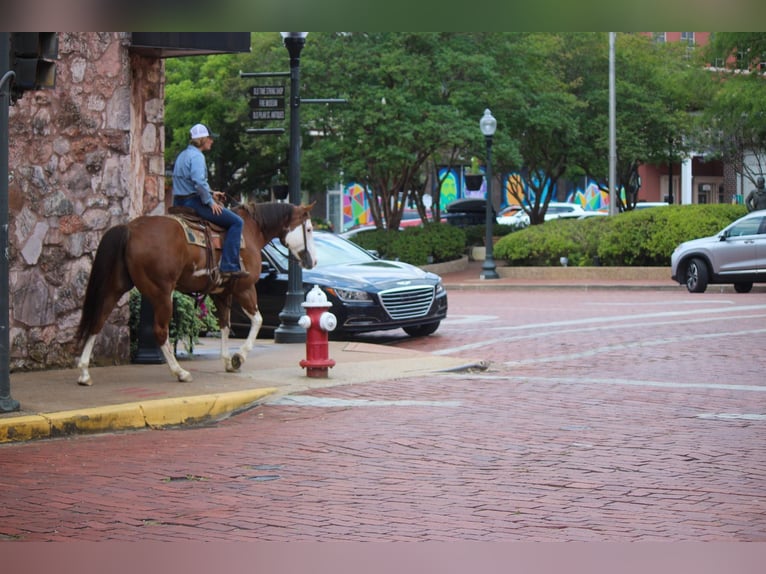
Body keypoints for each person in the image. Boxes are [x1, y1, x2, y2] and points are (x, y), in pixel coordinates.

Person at [172, 123, 248, 279]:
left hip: (178, 202)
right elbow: (199, 182)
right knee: (237, 222)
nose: (212, 141)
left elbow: (190, 182)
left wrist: (212, 193)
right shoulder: (197, 156)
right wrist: (210, 201)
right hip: (193, 202)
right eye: (210, 138)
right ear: (202, 139)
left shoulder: (183, 155)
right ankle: (229, 265)